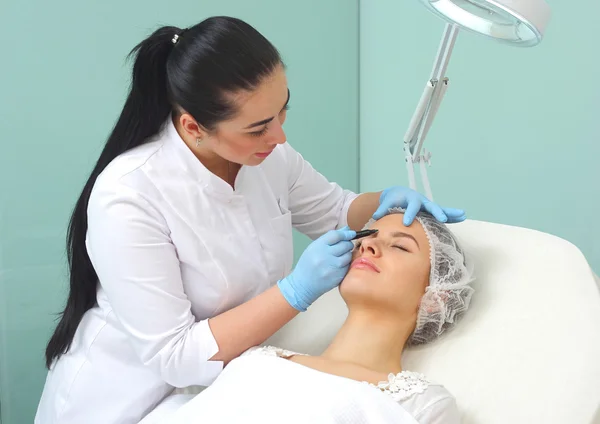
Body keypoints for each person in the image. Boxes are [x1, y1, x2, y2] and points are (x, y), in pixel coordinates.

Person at [35, 16, 466, 424]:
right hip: (121, 400)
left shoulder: (270, 157)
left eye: (283, 111)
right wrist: (294, 292)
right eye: (258, 127)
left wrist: (384, 201)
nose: (279, 137)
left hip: (217, 389)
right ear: (193, 127)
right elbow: (177, 356)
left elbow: (336, 210)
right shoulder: (129, 195)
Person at [166, 210, 475, 424]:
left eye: (399, 246)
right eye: (368, 236)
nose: (367, 245)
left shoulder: (421, 404)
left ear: (437, 297)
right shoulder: (255, 358)